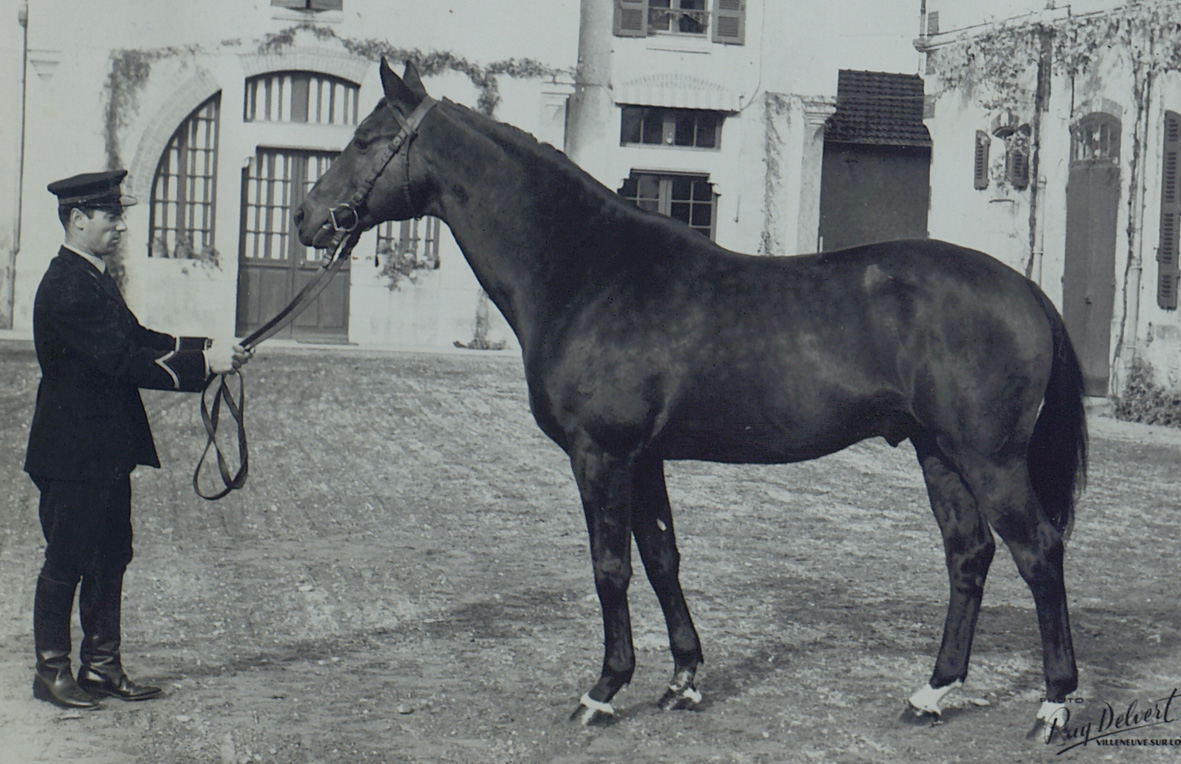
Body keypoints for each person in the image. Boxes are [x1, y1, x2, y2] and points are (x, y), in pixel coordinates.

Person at [24, 169, 250, 709]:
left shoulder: (93, 277)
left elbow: (139, 336)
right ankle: (51, 671)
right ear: (78, 220)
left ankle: (101, 666)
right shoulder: (65, 286)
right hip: (71, 453)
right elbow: (122, 361)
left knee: (111, 555)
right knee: (67, 558)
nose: (120, 225)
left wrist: (209, 346)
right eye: (110, 216)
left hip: (102, 450)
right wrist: (203, 366)